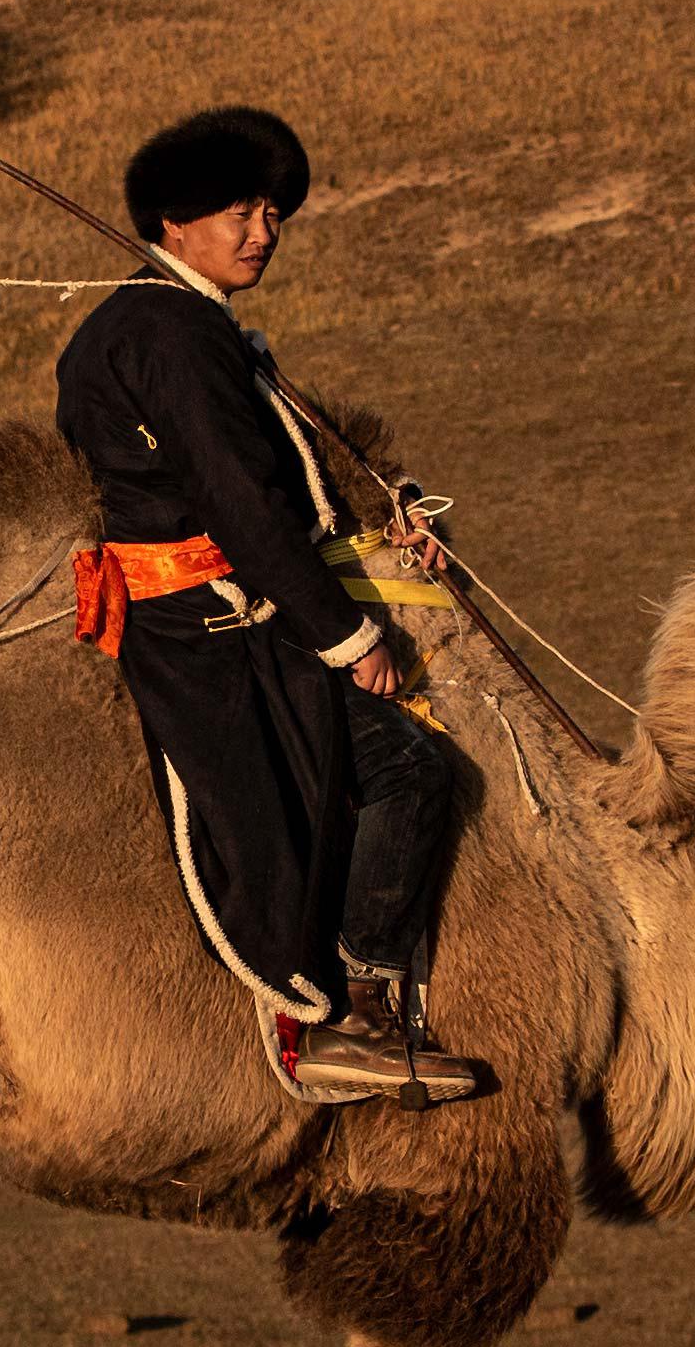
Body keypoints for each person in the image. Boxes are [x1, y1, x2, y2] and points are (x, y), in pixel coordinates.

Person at [52, 106, 485, 1101]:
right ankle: (351, 1014)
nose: (261, 230)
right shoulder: (170, 332)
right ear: (172, 220)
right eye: (238, 210)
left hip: (207, 613)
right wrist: (345, 636)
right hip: (213, 635)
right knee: (409, 767)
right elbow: (238, 501)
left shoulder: (154, 323)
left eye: (271, 211)